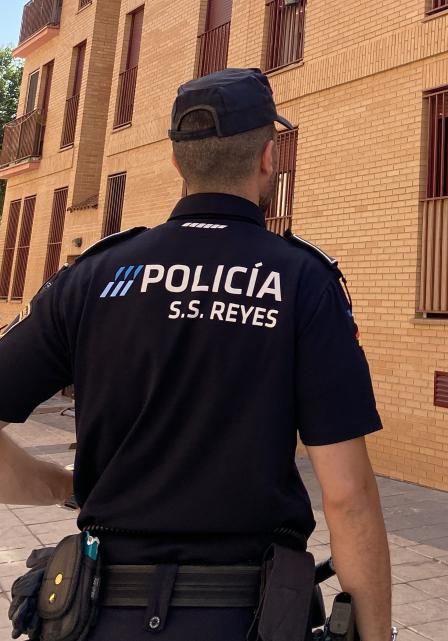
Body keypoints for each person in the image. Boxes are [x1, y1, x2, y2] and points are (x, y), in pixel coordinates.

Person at [0, 68, 391, 641]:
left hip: (102, 615)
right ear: (269, 158)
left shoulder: (95, 277)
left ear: (178, 162)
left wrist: (68, 484)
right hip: (246, 616)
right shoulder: (303, 282)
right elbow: (349, 496)